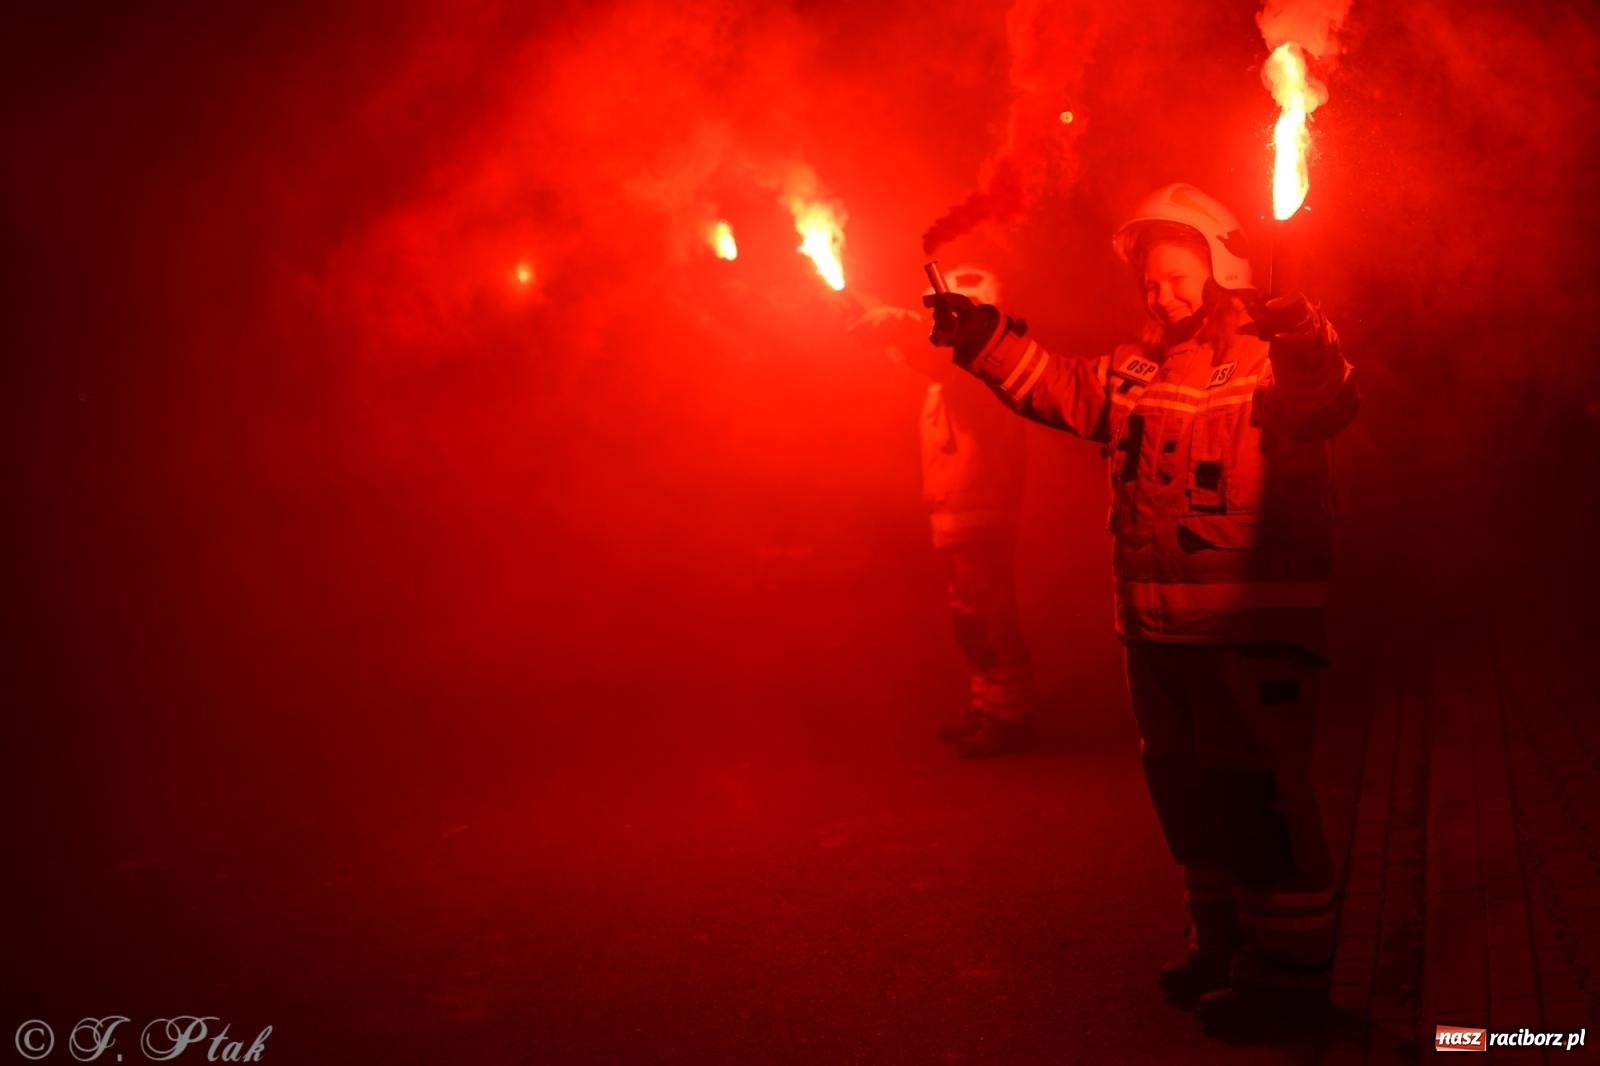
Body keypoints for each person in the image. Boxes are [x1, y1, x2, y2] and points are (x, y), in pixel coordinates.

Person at [923, 184, 1359, 1035]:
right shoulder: (1136, 368)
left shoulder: (1272, 361)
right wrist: (982, 338)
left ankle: (1291, 981)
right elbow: (1059, 387)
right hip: (1155, 635)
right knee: (1190, 801)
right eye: (1150, 282)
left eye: (1177, 278)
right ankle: (1220, 946)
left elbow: (1328, 395)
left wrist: (1305, 328)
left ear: (1221, 272)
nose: (1161, 296)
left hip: (1246, 638)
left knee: (1259, 805)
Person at [853, 266, 1038, 758]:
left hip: (981, 512)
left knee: (989, 617)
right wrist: (875, 315)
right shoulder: (954, 374)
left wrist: (897, 324)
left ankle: (1012, 717)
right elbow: (920, 359)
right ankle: (989, 707)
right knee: (968, 619)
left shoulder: (983, 367)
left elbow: (931, 358)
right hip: (958, 511)